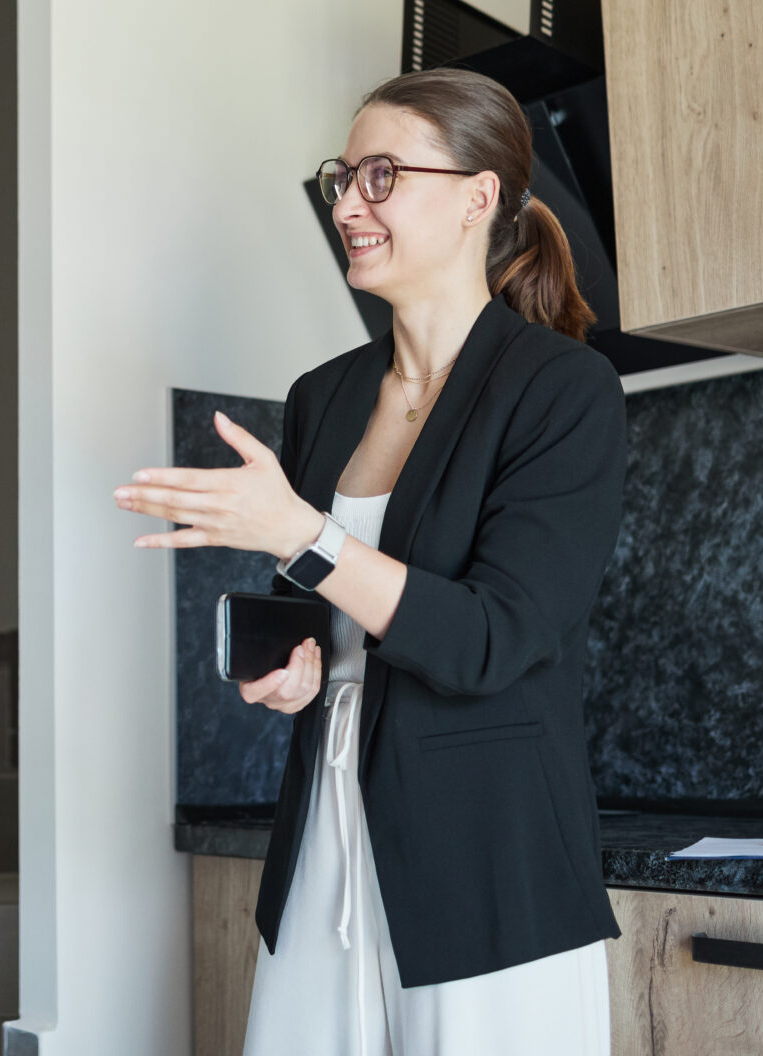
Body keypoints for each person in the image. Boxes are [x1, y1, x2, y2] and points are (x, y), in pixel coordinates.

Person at [115, 68, 624, 1055]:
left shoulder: (562, 390)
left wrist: (298, 530)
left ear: (480, 195)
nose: (347, 202)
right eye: (344, 176)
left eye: (382, 175)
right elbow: (324, 608)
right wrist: (296, 664)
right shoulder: (325, 396)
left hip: (491, 864)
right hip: (326, 843)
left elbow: (496, 635)